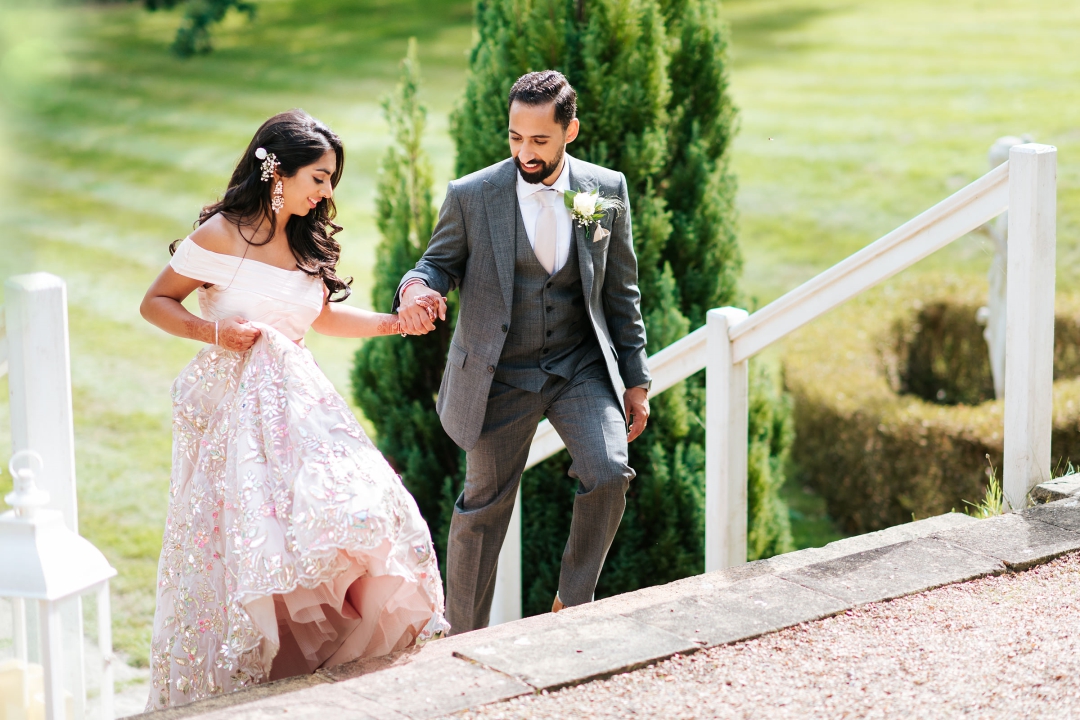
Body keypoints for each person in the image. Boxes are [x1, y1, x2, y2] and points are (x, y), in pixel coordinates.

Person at [140, 109, 448, 709]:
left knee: (355, 514)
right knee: (252, 545)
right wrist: (215, 334)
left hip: (301, 412)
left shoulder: (305, 239)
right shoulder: (222, 236)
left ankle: (330, 668)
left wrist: (396, 323)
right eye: (320, 178)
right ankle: (260, 682)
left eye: (332, 180)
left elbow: (322, 316)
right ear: (277, 171)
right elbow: (155, 302)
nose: (327, 192)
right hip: (238, 416)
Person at [394, 71, 652, 634]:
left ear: (570, 131)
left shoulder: (601, 192)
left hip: (577, 365)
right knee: (483, 508)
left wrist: (636, 379)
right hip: (498, 372)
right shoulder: (473, 195)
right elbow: (435, 264)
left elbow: (620, 290)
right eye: (515, 137)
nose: (524, 152)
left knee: (609, 472)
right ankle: (460, 640)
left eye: (539, 140)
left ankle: (572, 602)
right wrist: (417, 288)